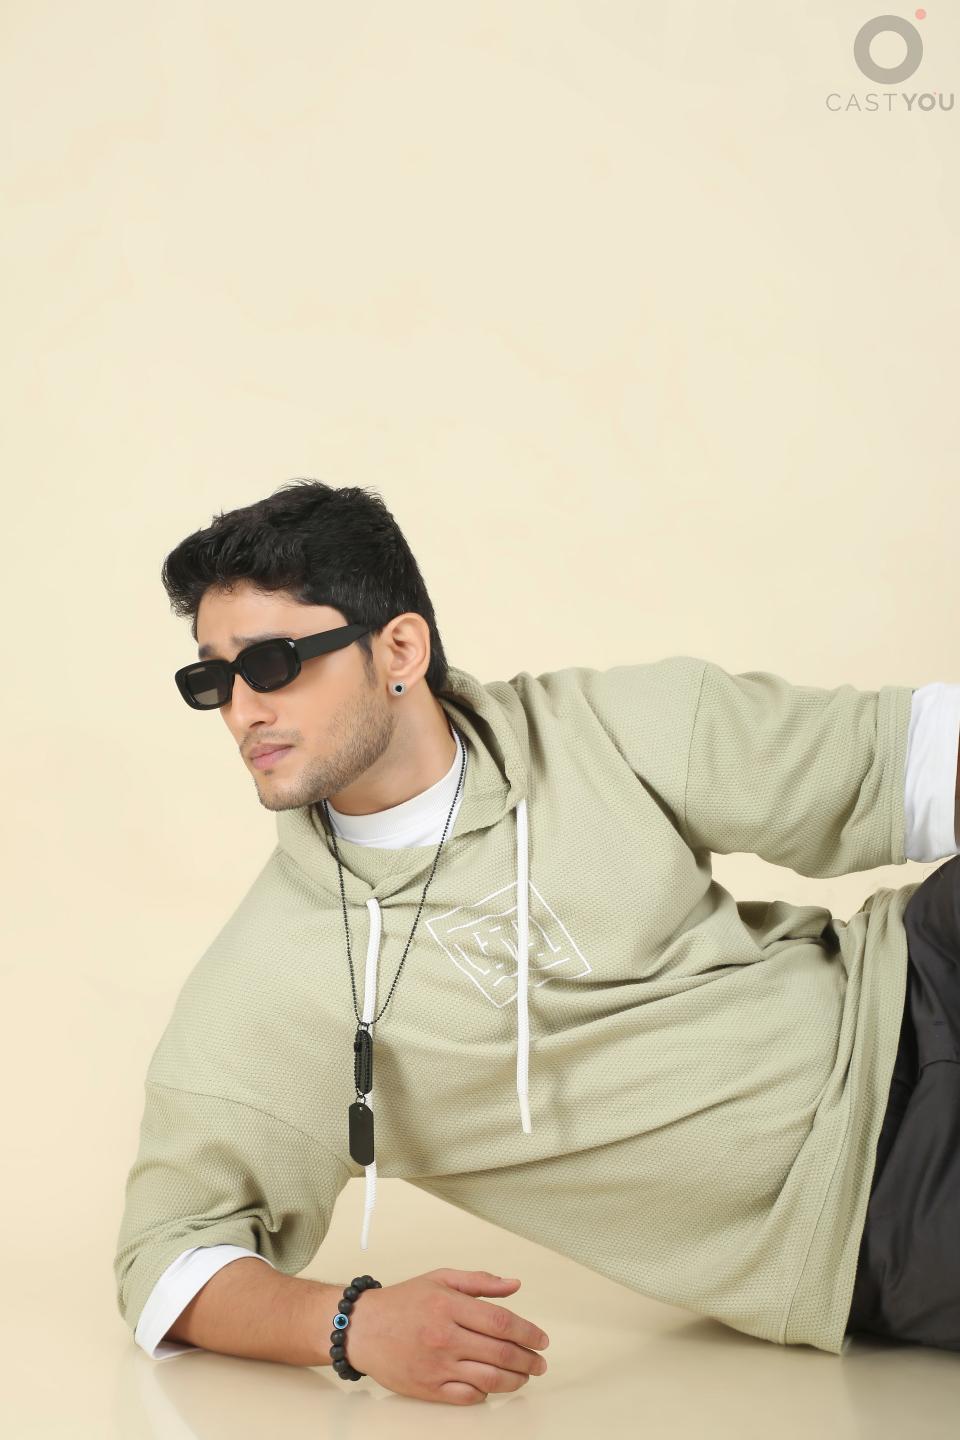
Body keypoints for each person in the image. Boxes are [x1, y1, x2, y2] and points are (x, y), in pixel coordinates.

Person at [113, 478, 960, 1403]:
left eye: (272, 664)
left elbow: (905, 758)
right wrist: (352, 1324)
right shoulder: (274, 977)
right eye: (213, 681)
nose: (241, 711)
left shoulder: (598, 728)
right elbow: (163, 1260)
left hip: (918, 972)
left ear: (399, 650)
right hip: (865, 1209)